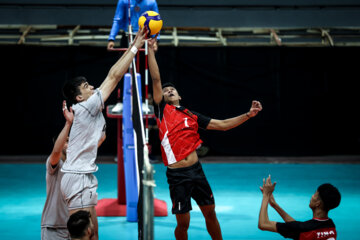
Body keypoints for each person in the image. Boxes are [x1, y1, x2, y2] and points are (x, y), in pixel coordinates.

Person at [147, 37, 263, 240]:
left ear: (179, 95)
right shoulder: (162, 110)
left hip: (196, 171)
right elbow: (156, 79)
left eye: (172, 89)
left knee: (210, 213)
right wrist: (150, 51)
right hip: (177, 176)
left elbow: (223, 124)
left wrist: (248, 115)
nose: (169, 90)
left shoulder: (192, 116)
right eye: (165, 91)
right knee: (183, 223)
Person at [61, 28, 148, 240]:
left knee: (94, 233)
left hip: (84, 175)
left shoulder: (87, 109)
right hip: (78, 178)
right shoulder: (87, 106)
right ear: (79, 97)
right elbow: (113, 75)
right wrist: (135, 46)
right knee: (82, 234)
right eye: (86, 86)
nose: (92, 87)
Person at [258, 175, 341, 240]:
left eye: (315, 194)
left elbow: (263, 224)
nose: (312, 196)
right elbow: (297, 227)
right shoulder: (331, 226)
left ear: (317, 203)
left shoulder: (305, 230)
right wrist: (274, 205)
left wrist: (265, 195)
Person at [41, 100, 73, 240]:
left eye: (69, 139)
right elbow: (56, 152)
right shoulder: (54, 163)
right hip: (53, 227)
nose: (69, 142)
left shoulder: (76, 164)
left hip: (74, 227)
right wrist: (68, 124)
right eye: (65, 140)